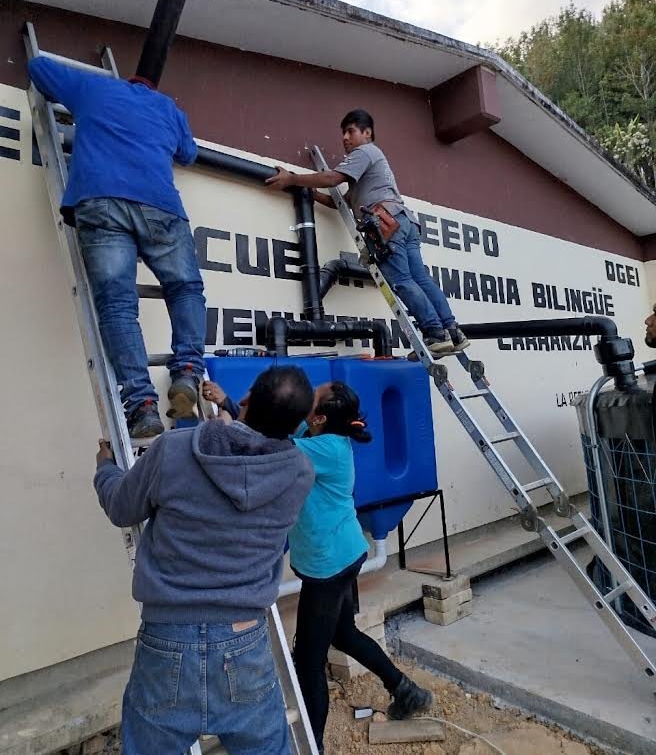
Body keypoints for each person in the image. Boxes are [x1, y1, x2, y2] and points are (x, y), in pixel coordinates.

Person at [94, 365, 315, 755]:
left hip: (166, 638)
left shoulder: (173, 449)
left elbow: (120, 507)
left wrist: (105, 469)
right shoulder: (299, 473)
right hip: (244, 640)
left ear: (244, 400)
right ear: (298, 426)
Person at [203, 379, 433, 753]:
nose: (304, 397)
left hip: (329, 565)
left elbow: (266, 445)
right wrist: (232, 401)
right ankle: (407, 692)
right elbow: (274, 430)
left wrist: (229, 410)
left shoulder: (324, 447)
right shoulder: (318, 434)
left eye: (311, 398)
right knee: (341, 634)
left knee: (309, 661)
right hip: (343, 553)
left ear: (321, 416)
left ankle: (314, 746)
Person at [28, 55, 206, 438]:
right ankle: (188, 371)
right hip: (160, 206)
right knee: (185, 288)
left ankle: (142, 407)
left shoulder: (94, 88)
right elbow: (188, 154)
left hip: (101, 200)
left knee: (117, 305)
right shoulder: (167, 107)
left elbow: (37, 68)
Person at [265, 108, 468, 358]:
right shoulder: (368, 169)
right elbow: (340, 201)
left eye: (351, 131)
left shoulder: (365, 152)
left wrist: (293, 179)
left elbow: (331, 178)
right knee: (420, 279)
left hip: (385, 223)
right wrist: (310, 194)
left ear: (367, 133)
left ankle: (435, 334)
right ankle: (452, 332)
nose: (345, 138)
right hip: (404, 221)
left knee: (402, 281)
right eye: (343, 133)